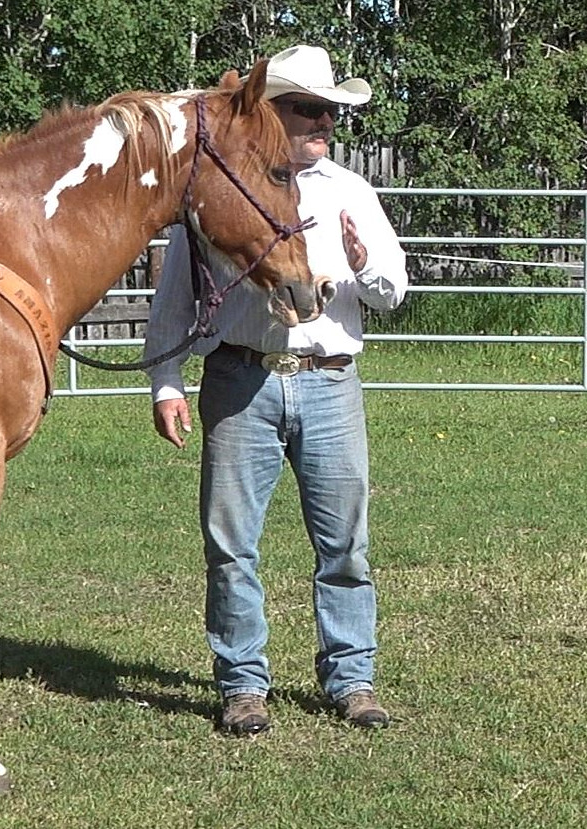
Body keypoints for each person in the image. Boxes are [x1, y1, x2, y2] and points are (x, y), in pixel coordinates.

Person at [144, 44, 408, 736]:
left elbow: (391, 292)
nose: (325, 121)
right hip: (240, 378)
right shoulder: (225, 187)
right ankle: (242, 684)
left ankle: (351, 675)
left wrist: (362, 263)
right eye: (310, 109)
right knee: (229, 542)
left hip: (329, 381)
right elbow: (173, 296)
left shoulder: (350, 192)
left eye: (330, 111)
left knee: (344, 541)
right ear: (272, 114)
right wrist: (164, 379)